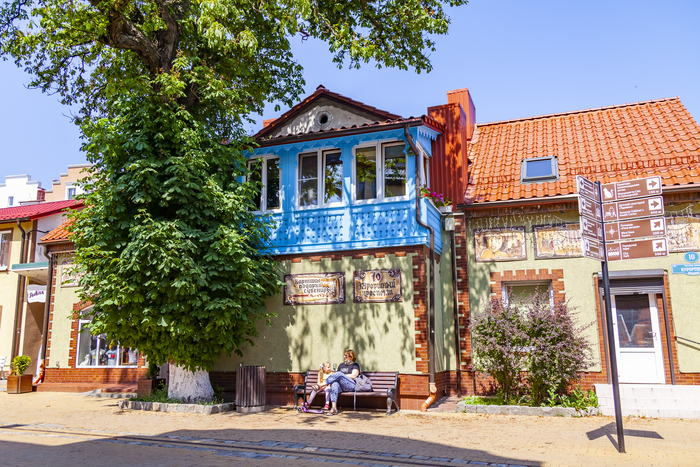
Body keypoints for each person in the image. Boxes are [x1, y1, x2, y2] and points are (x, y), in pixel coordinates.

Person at [323, 349, 360, 416]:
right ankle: (334, 408)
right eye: (344, 355)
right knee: (334, 384)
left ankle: (321, 384)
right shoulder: (341, 365)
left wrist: (342, 375)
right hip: (341, 387)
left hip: (350, 385)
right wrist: (340, 376)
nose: (344, 357)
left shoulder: (355, 365)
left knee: (339, 374)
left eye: (346, 356)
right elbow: (336, 377)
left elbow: (354, 375)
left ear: (351, 357)